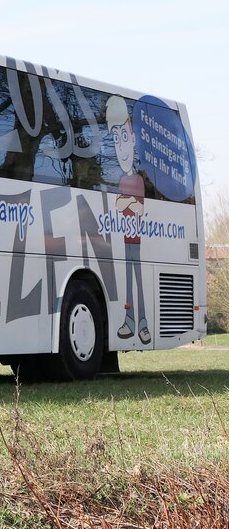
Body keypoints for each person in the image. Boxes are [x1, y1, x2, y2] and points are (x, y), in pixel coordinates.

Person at [107, 95, 150, 344]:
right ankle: (130, 319)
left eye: (124, 137)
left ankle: (143, 322)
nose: (121, 148)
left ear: (133, 140)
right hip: (125, 238)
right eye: (115, 139)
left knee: (139, 280)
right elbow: (120, 203)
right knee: (127, 280)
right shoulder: (122, 180)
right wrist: (129, 202)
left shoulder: (138, 180)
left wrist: (130, 202)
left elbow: (139, 208)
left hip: (137, 240)